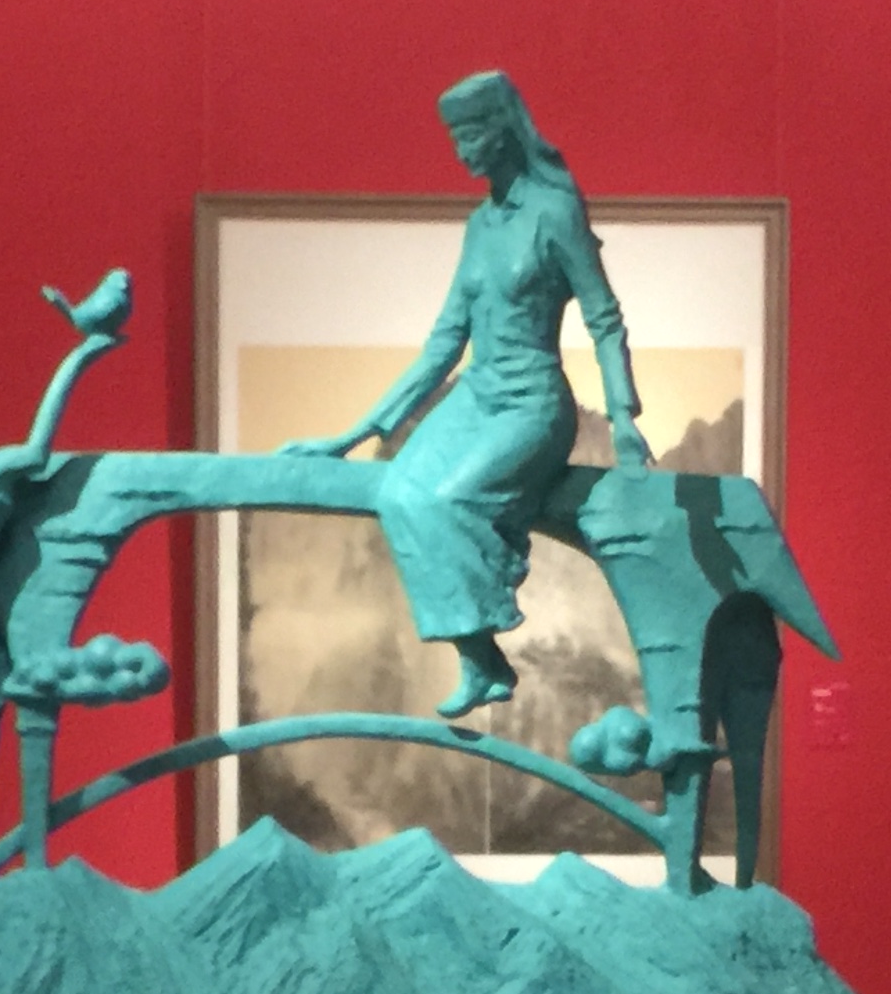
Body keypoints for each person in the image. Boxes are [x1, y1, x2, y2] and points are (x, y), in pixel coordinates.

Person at [278, 69, 650, 718]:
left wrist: (623, 417)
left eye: (472, 133)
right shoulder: (479, 226)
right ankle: (480, 659)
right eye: (455, 137)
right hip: (476, 395)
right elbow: (445, 340)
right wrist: (353, 434)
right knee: (397, 493)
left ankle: (486, 642)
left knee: (453, 497)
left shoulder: (554, 213)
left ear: (504, 130)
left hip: (532, 403)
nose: (461, 150)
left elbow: (604, 318)